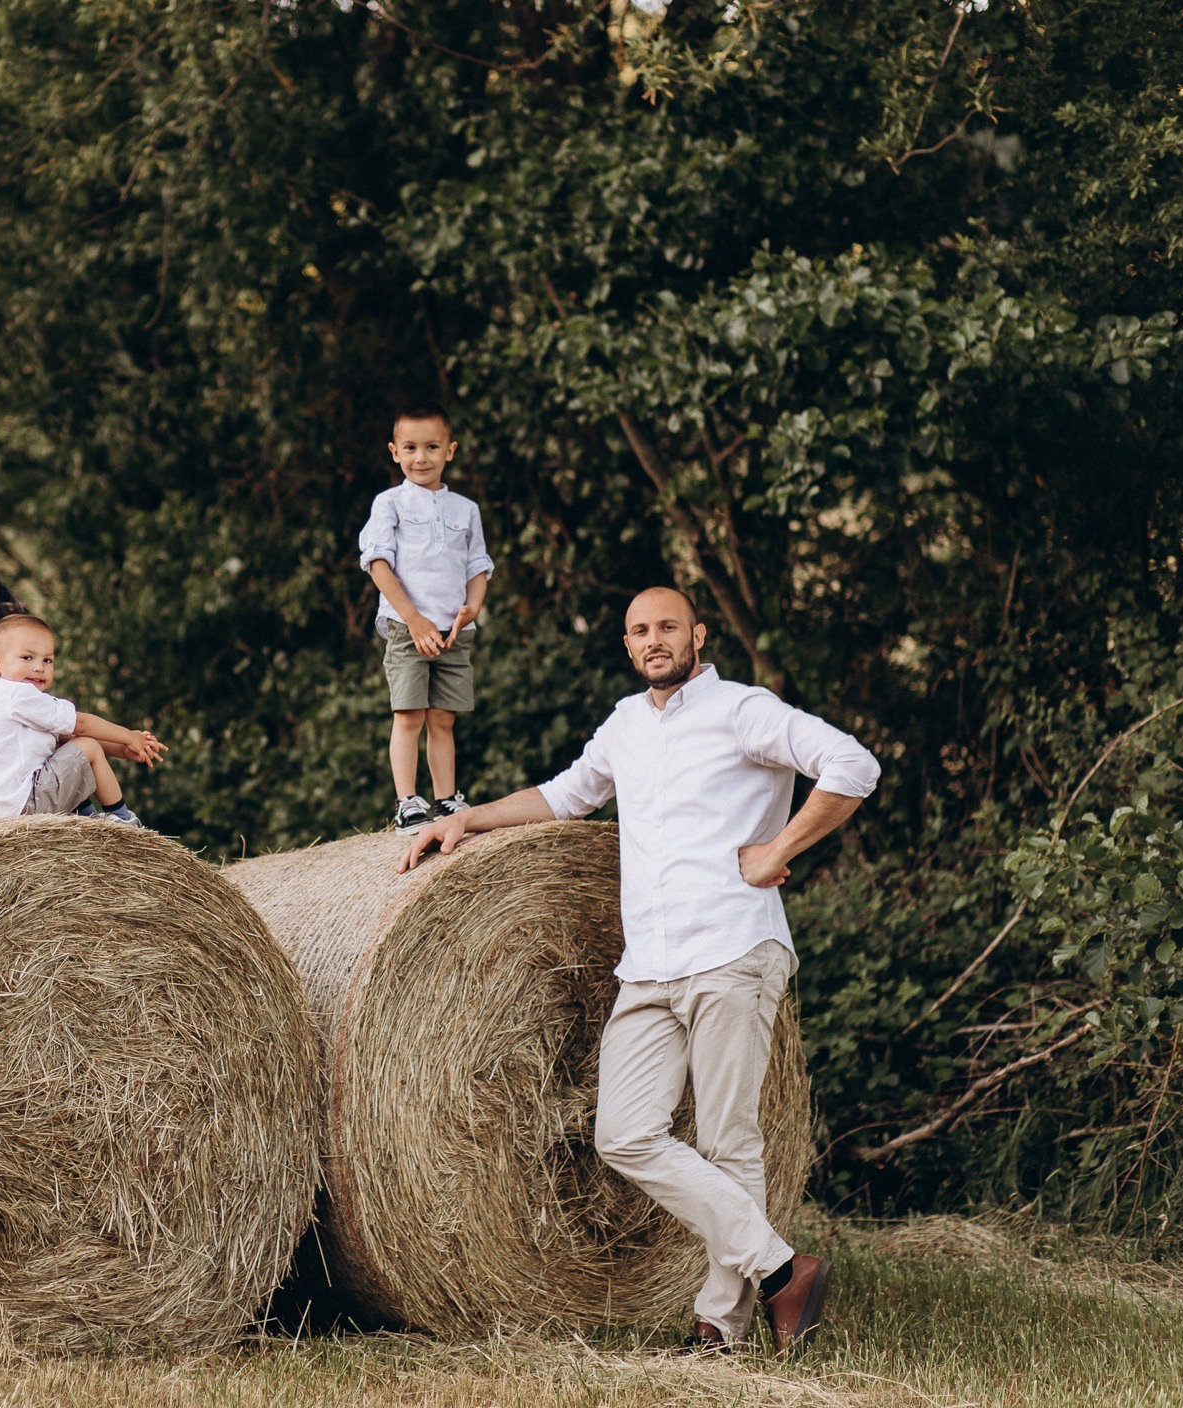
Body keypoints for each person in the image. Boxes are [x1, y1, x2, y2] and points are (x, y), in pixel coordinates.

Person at [399, 586, 878, 1357]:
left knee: (731, 1142)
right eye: (639, 631)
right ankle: (785, 1270)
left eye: (667, 627)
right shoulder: (625, 723)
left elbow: (853, 765)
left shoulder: (743, 710)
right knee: (623, 1133)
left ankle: (720, 1326)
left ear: (698, 634)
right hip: (649, 968)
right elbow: (566, 795)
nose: (654, 640)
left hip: (730, 949)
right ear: (627, 646)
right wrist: (467, 818)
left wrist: (779, 850)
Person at [358, 406, 494, 835]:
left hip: (454, 629)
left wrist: (473, 605)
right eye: (411, 448)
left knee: (443, 719)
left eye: (432, 447)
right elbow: (377, 563)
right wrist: (413, 619)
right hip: (407, 627)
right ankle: (407, 802)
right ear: (394, 452)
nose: (422, 457)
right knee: (409, 715)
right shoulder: (389, 503)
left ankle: (447, 798)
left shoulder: (465, 509)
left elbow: (478, 565)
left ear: (449, 451)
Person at [0, 611, 166, 824]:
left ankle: (87, 819)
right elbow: (82, 725)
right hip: (22, 805)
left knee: (63, 749)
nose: (39, 667)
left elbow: (67, 738)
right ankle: (123, 820)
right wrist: (128, 736)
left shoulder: (4, 699)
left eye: (48, 660)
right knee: (86, 745)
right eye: (27, 657)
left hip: (4, 809)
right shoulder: (18, 695)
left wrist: (122, 750)